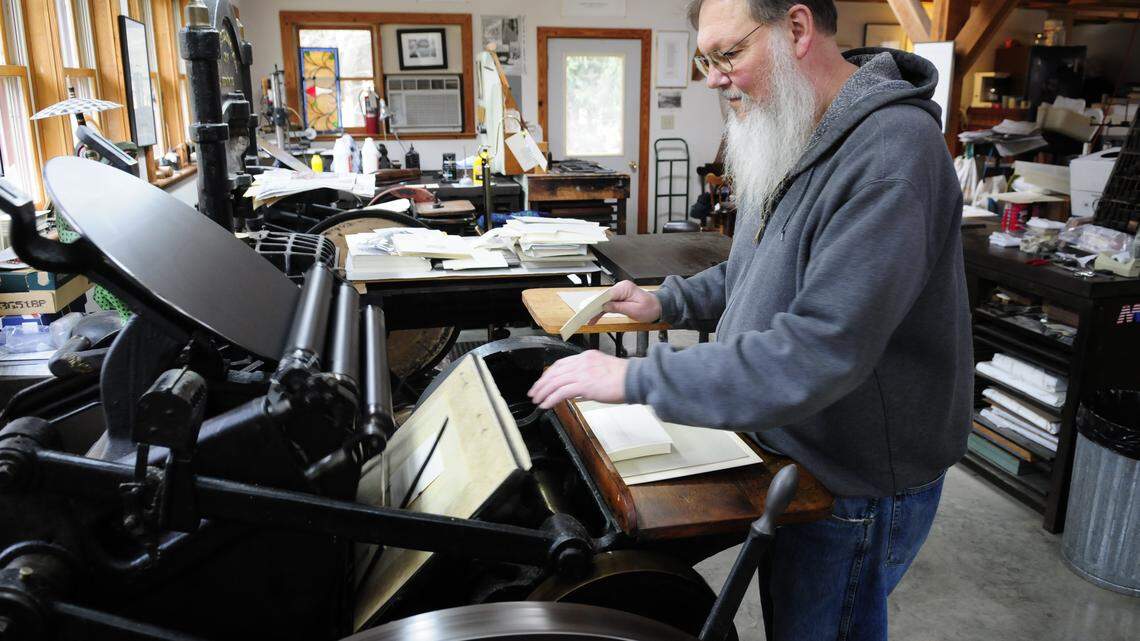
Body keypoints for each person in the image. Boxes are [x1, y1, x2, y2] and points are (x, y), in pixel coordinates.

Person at [527, 1, 973, 639]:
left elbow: (818, 349)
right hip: (792, 450)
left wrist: (635, 378)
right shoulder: (795, 126)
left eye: (728, 55)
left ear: (796, 29)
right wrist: (664, 302)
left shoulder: (889, 154)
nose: (712, 77)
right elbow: (752, 270)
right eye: (706, 60)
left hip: (855, 476)